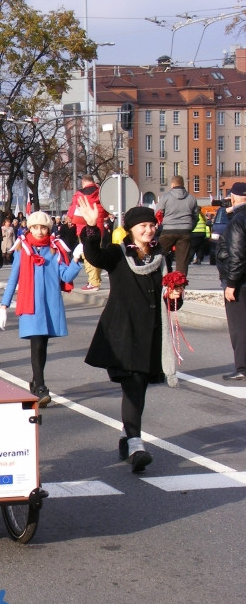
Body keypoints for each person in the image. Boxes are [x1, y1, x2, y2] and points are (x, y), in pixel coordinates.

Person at [78, 201, 184, 473]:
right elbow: (94, 256)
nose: (148, 230)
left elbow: (168, 300)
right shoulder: (118, 253)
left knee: (139, 387)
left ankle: (127, 438)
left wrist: (175, 295)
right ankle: (136, 444)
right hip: (123, 332)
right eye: (142, 226)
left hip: (150, 332)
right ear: (131, 230)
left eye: (151, 225)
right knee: (133, 386)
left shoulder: (161, 256)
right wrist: (92, 227)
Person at [0, 211, 81, 407]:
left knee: (42, 345)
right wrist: (3, 307)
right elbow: (13, 279)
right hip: (31, 304)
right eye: (35, 227)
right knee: (36, 343)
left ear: (48, 229)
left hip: (50, 304)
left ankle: (36, 382)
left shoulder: (55, 249)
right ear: (29, 229)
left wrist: (76, 260)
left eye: (43, 227)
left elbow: (66, 277)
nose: (39, 231)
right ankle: (41, 387)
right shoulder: (22, 249)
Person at [217, 182, 246, 381]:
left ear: (233, 198)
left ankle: (242, 367)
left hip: (241, 282)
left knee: (239, 327)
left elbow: (237, 255)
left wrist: (232, 283)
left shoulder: (238, 221)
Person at [67, 174, 107, 291]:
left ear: (83, 182)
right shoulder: (101, 193)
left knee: (88, 254)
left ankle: (93, 282)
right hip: (99, 228)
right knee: (97, 252)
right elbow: (105, 212)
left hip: (84, 228)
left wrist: (70, 219)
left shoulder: (79, 194)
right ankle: (96, 280)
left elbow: (72, 210)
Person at [157, 175, 200, 276]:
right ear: (183, 184)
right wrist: (190, 227)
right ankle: (179, 283)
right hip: (185, 231)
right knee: (182, 261)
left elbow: (158, 213)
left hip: (168, 230)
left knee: (158, 254)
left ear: (172, 185)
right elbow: (196, 217)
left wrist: (162, 226)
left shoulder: (165, 197)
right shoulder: (192, 198)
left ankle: (161, 275)